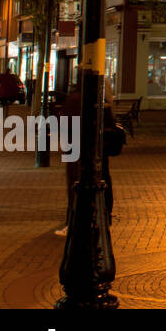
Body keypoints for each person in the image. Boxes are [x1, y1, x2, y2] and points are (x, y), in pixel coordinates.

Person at [53, 78, 124, 237]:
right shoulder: (104, 103)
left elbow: (66, 123)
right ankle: (102, 217)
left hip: (79, 149)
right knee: (103, 178)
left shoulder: (79, 99)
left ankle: (77, 222)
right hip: (97, 151)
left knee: (77, 183)